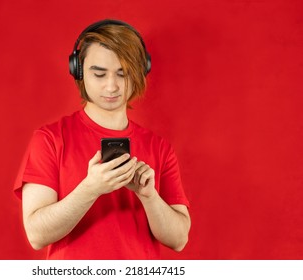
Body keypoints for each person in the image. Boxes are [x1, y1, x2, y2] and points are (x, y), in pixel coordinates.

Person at [14, 19, 191, 259]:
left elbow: (179, 239)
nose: (112, 86)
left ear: (141, 72)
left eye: (123, 74)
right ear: (78, 70)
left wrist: (149, 197)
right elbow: (36, 234)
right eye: (99, 74)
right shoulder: (49, 139)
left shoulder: (159, 147)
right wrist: (90, 189)